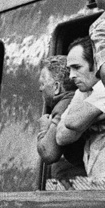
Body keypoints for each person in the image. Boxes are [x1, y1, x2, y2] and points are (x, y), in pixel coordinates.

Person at [57, 37, 105, 188]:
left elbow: (73, 122)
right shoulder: (83, 91)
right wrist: (95, 120)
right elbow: (61, 136)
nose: (71, 76)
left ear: (96, 65)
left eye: (77, 67)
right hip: (101, 178)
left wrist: (84, 123)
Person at [35, 55, 87, 189]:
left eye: (42, 84)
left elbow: (49, 153)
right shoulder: (75, 98)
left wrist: (43, 129)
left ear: (57, 87)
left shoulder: (63, 105)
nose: (40, 89)